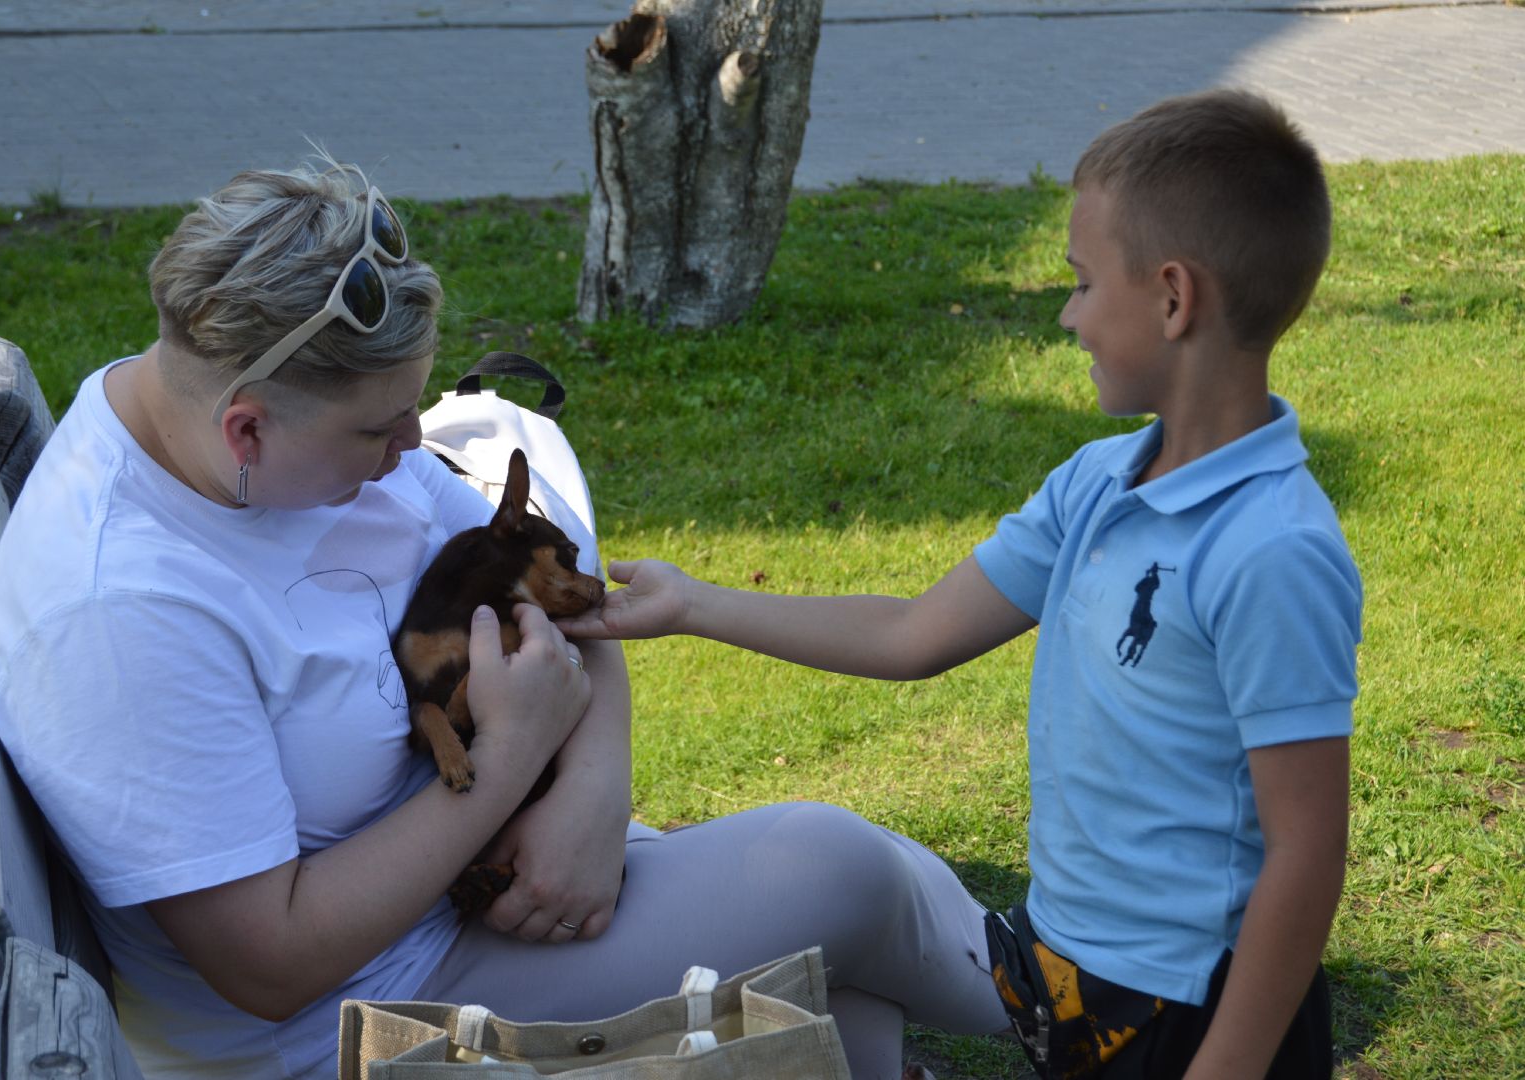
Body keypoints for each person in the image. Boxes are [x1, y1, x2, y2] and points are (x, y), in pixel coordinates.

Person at [0, 156, 1011, 1080]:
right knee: (844, 874)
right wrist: (506, 772)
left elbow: (562, 607)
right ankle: (1110, 1016)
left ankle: (1094, 1008)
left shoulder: (278, 450)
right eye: (380, 432)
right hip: (357, 1021)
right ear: (246, 427)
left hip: (477, 900)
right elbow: (269, 964)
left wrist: (594, 791)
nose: (413, 452)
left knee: (858, 957)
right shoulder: (118, 609)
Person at [561, 89, 1362, 1080]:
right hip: (1070, 974)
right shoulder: (1096, 486)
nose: (1067, 315)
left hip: (1194, 1013)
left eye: (1079, 283)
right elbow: (914, 634)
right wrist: (695, 606)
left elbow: (1305, 851)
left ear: (1171, 298)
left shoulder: (1271, 550)